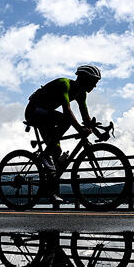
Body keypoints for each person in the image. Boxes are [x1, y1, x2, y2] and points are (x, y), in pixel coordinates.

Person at [25, 65, 102, 202]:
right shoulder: (64, 84)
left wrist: (98, 133)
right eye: (94, 81)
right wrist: (80, 129)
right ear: (84, 79)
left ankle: (49, 191)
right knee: (65, 121)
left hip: (47, 115)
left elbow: (86, 118)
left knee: (56, 151)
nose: (95, 86)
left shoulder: (81, 94)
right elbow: (66, 110)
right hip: (34, 111)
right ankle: (45, 154)